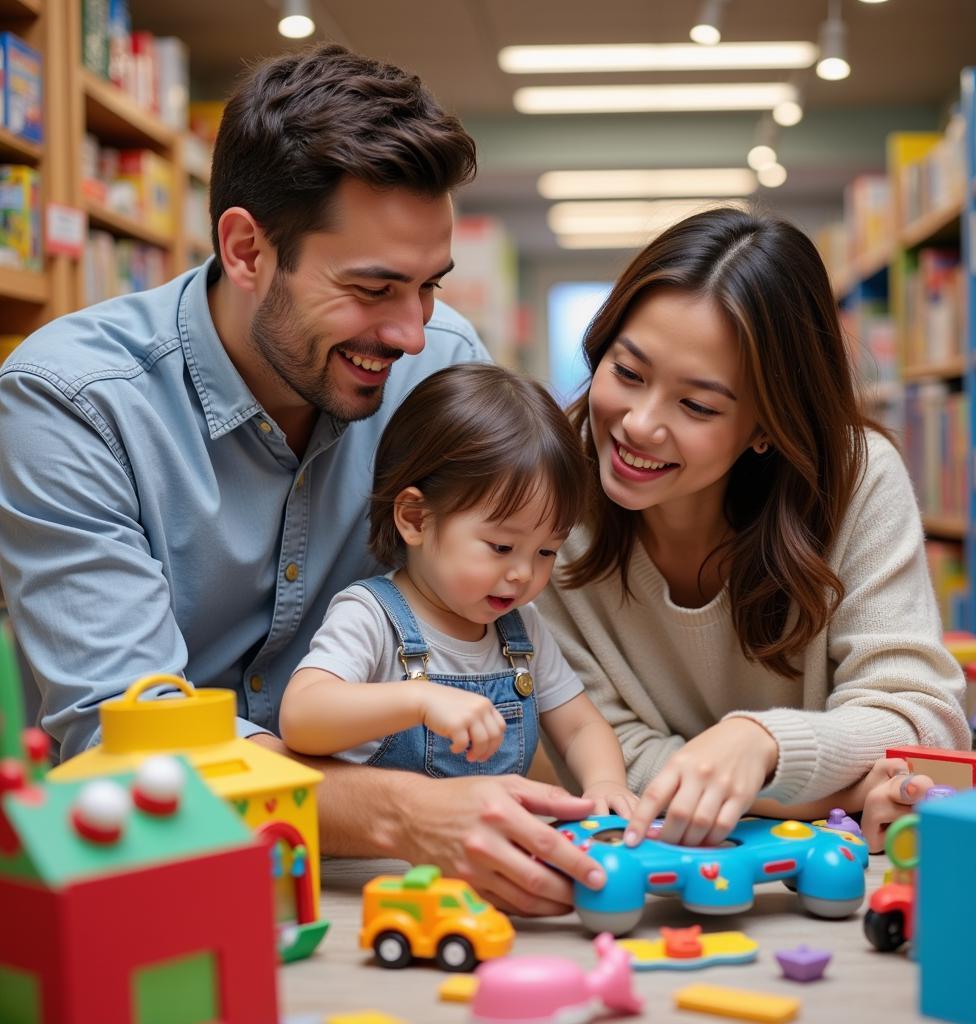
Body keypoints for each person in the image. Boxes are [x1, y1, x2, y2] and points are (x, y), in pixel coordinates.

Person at [0, 43, 607, 916]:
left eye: (429, 286)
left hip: (387, 886)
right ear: (248, 249)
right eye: (373, 287)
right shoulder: (71, 401)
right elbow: (121, 734)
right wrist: (404, 812)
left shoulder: (443, 369)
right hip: (161, 875)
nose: (409, 332)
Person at [535, 206, 970, 852]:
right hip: (655, 860)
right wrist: (839, 793)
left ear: (767, 424)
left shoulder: (857, 481)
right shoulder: (546, 495)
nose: (639, 425)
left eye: (697, 405)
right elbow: (607, 763)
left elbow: (927, 722)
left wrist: (762, 742)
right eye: (627, 373)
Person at [280, 363, 636, 817]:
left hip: (486, 864)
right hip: (375, 871)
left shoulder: (520, 630)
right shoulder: (370, 616)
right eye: (501, 546)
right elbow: (301, 716)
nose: (523, 573)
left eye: (546, 551)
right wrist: (419, 699)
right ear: (415, 518)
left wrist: (605, 783)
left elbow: (582, 726)